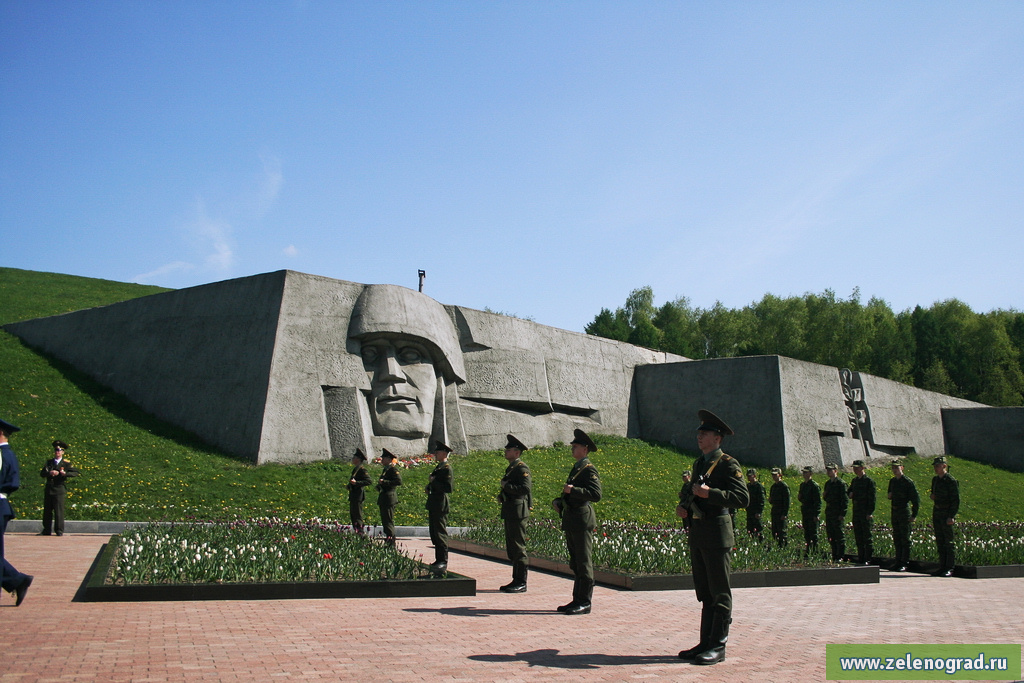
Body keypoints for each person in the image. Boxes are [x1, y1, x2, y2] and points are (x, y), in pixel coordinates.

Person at [675, 410, 749, 665]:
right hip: (699, 533)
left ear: (717, 438)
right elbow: (693, 494)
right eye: (699, 433)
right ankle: (705, 641)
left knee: (719, 591)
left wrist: (712, 494)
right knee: (704, 591)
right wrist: (683, 508)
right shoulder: (700, 463)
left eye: (704, 433)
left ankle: (718, 645)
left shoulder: (728, 463)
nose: (699, 436)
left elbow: (743, 498)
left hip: (717, 533)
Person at [552, 429, 602, 615]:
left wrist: (573, 491)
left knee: (583, 561)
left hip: (582, 520)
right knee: (576, 561)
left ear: (585, 449)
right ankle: (576, 599)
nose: (572, 449)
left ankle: (585, 601)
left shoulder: (589, 469)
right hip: (573, 519)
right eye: (572, 446)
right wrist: (559, 501)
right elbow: (568, 491)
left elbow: (596, 495)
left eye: (576, 446)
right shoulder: (578, 468)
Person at [1, 418, 32, 606]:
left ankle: (18, 580)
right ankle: (17, 581)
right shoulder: (7, 454)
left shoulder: (3, 454)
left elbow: (11, 482)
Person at [498, 434, 532, 593]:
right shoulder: (512, 467)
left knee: (518, 546)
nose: (505, 451)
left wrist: (506, 487)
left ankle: (521, 581)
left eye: (509, 449)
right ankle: (515, 579)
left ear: (517, 452)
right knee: (512, 546)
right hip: (511, 510)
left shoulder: (521, 468)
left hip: (518, 511)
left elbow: (525, 489)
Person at [39, 440, 80, 536]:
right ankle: (46, 530)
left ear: (63, 452)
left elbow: (76, 473)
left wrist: (65, 474)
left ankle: (59, 530)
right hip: (49, 487)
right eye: (56, 450)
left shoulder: (66, 463)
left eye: (59, 450)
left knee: (59, 511)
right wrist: (50, 473)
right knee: (47, 510)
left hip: (59, 488)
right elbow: (42, 473)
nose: (57, 452)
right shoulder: (49, 462)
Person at [425, 440, 453, 572]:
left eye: (438, 451)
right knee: (435, 532)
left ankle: (443, 560)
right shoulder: (439, 467)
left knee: (440, 532)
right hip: (434, 502)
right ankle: (438, 559)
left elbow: (447, 487)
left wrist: (434, 482)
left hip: (440, 503)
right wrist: (429, 486)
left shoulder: (446, 468)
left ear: (444, 453)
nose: (435, 453)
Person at [887, 459, 919, 572]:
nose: (895, 470)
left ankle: (904, 563)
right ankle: (898, 561)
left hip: (904, 512)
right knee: (897, 537)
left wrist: (914, 514)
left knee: (905, 538)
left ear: (902, 468)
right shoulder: (893, 481)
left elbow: (916, 500)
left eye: (897, 468)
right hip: (895, 511)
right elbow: (889, 494)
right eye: (893, 468)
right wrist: (889, 495)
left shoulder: (908, 482)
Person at [929, 456, 960, 577]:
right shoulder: (935, 480)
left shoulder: (950, 481)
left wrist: (951, 516)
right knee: (940, 540)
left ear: (944, 466)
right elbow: (933, 493)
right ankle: (942, 566)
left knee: (949, 542)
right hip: (937, 512)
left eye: (938, 466)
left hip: (946, 513)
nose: (936, 468)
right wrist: (933, 496)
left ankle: (949, 567)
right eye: (935, 466)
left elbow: (955, 500)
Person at [847, 459, 876, 565]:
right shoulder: (855, 481)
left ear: (862, 468)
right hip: (857, 512)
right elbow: (849, 491)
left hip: (865, 512)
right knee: (858, 536)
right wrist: (850, 493)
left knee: (867, 537)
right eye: (854, 468)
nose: (855, 470)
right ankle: (861, 557)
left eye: (857, 468)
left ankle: (868, 558)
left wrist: (870, 512)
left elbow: (872, 498)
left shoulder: (869, 481)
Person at [375, 449, 402, 546]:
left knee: (388, 520)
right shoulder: (386, 469)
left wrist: (384, 482)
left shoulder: (393, 469)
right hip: (384, 497)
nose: (382, 460)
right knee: (385, 520)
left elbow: (398, 481)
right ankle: (388, 539)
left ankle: (391, 542)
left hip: (389, 497)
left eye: (384, 458)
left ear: (389, 459)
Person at [822, 463, 848, 562]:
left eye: (830, 470)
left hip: (837, 512)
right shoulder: (828, 484)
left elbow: (844, 500)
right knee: (831, 534)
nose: (829, 472)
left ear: (835, 471)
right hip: (830, 512)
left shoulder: (841, 483)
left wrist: (842, 513)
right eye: (828, 470)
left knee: (839, 535)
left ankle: (840, 555)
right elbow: (827, 498)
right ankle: (834, 554)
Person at [346, 449, 372, 535]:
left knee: (357, 515)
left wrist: (356, 483)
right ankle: (357, 531)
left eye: (354, 457)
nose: (353, 459)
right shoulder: (356, 469)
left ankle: (360, 533)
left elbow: (368, 481)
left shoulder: (362, 469)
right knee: (353, 515)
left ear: (359, 459)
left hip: (358, 495)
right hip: (354, 495)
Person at [797, 466, 821, 556]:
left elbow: (818, 501)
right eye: (803, 473)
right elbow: (802, 498)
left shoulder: (814, 486)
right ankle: (808, 550)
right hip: (805, 511)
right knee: (807, 532)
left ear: (810, 474)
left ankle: (814, 552)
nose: (804, 474)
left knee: (813, 534)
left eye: (806, 473)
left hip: (812, 512)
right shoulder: (803, 485)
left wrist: (817, 514)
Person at [768, 468, 790, 547]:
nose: (773, 476)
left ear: (780, 475)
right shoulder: (773, 487)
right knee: (775, 531)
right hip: (775, 511)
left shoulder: (784, 486)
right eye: (772, 475)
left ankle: (784, 547)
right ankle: (778, 546)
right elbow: (772, 499)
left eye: (775, 475)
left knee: (782, 532)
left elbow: (787, 501)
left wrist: (785, 513)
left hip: (781, 511)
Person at [744, 469, 765, 541]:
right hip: (750, 510)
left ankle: (761, 543)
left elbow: (761, 500)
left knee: (758, 529)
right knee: (750, 529)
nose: (748, 477)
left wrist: (759, 511)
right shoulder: (748, 486)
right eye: (748, 476)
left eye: (750, 476)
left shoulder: (759, 486)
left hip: (756, 511)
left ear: (754, 476)